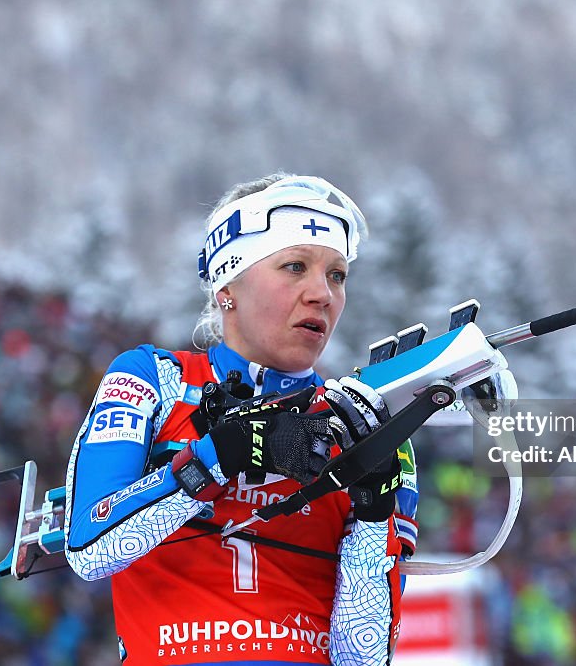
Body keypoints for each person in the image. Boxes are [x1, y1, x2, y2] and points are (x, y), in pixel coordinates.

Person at [64, 173, 419, 666]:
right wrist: (225, 452)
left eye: (337, 275)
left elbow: (361, 657)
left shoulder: (362, 422)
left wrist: (373, 510)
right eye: (295, 266)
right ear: (227, 285)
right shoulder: (155, 379)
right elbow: (89, 546)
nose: (322, 293)